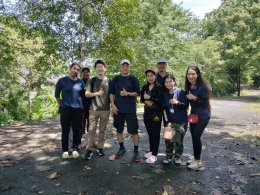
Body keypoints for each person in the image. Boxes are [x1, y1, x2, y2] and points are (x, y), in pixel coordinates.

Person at [109, 59, 141, 162]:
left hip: (130, 109)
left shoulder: (133, 79)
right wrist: (113, 105)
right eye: (123, 65)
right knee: (119, 130)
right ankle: (121, 148)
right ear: (120, 67)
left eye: (127, 65)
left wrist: (127, 94)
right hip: (118, 109)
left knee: (134, 131)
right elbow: (112, 93)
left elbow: (138, 93)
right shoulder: (116, 79)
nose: (125, 67)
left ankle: (136, 151)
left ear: (129, 67)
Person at [55, 62, 85, 159]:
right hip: (65, 109)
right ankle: (65, 150)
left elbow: (83, 95)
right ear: (70, 68)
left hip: (77, 110)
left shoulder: (80, 82)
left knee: (76, 130)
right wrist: (63, 105)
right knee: (65, 129)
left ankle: (75, 149)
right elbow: (57, 95)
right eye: (74, 68)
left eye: (77, 70)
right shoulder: (62, 81)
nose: (75, 71)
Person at [185, 65, 211, 170]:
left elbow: (205, 103)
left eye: (193, 74)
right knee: (194, 136)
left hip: (203, 115)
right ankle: (195, 158)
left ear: (198, 74)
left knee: (196, 136)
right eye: (189, 74)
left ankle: (198, 161)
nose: (191, 76)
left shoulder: (203, 87)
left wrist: (194, 98)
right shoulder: (189, 87)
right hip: (193, 115)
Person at [84, 60, 110, 160]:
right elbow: (86, 94)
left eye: (101, 66)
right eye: (98, 67)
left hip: (106, 110)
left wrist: (113, 107)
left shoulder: (108, 80)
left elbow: (111, 96)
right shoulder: (92, 80)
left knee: (102, 131)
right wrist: (96, 94)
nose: (100, 68)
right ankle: (89, 149)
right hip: (93, 109)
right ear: (96, 69)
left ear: (105, 68)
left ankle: (100, 148)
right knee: (91, 130)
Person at [162, 74, 188, 165]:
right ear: (164, 83)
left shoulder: (181, 92)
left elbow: (186, 106)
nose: (168, 83)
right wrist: (166, 122)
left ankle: (177, 157)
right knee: (168, 140)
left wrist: (177, 103)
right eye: (166, 82)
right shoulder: (164, 94)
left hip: (181, 121)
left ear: (174, 81)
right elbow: (164, 110)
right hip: (170, 121)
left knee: (178, 141)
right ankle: (169, 157)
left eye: (170, 81)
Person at [140, 67, 163, 164]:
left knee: (155, 134)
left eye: (152, 75)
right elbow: (141, 99)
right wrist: (146, 100)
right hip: (147, 114)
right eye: (148, 76)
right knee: (150, 134)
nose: (150, 78)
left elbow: (161, 101)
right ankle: (151, 151)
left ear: (155, 76)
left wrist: (150, 99)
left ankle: (154, 155)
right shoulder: (145, 87)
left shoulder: (159, 87)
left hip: (156, 114)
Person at [79, 67, 91, 143]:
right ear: (81, 73)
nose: (86, 73)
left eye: (87, 72)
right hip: (81, 107)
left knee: (90, 126)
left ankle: (90, 142)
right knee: (81, 125)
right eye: (84, 72)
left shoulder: (92, 82)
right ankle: (78, 142)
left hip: (91, 107)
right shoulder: (79, 82)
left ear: (89, 73)